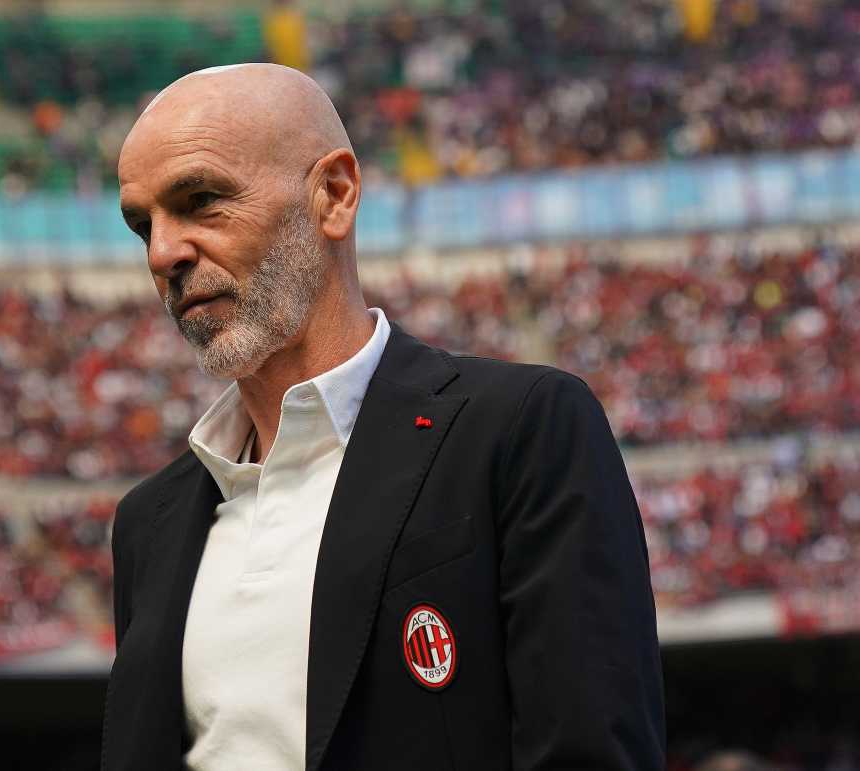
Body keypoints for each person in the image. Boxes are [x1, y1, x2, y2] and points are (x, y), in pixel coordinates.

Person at [102, 63, 665, 771]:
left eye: (201, 200)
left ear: (334, 195)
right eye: (142, 225)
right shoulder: (148, 522)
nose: (164, 253)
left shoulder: (519, 430)